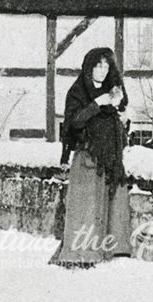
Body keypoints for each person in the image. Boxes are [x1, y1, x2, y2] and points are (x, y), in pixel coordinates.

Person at [51, 47, 132, 268]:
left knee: (112, 203)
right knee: (86, 206)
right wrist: (98, 104)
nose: (103, 70)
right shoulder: (78, 91)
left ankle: (112, 249)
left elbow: (117, 122)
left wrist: (121, 115)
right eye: (98, 65)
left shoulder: (112, 91)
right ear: (89, 67)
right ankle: (81, 254)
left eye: (107, 66)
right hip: (88, 156)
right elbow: (74, 122)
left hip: (110, 157)